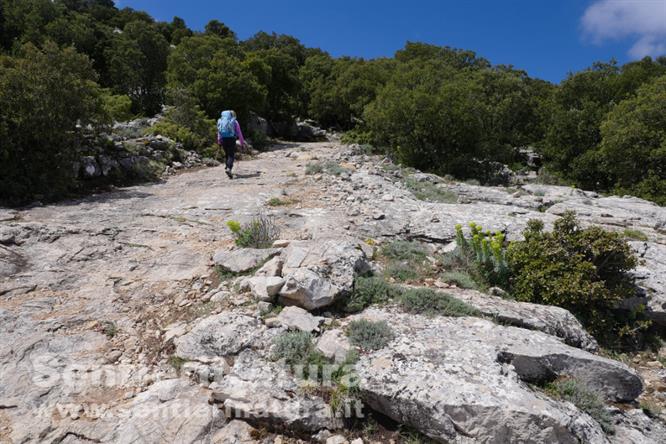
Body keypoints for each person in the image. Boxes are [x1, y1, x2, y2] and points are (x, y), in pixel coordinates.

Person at [217, 110, 245, 179]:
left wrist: (219, 141)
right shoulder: (235, 122)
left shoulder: (220, 121)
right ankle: (229, 168)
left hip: (223, 139)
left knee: (227, 154)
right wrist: (242, 143)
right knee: (231, 155)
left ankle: (227, 167)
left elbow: (219, 132)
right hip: (231, 139)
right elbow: (239, 133)